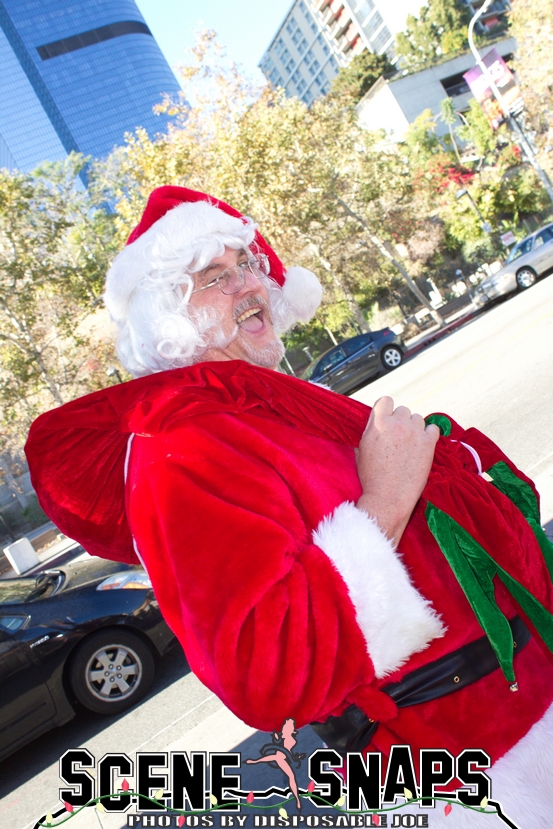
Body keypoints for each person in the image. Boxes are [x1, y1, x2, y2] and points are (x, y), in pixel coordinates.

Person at [26, 187, 553, 827]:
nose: (249, 283)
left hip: (525, 711)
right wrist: (384, 501)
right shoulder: (178, 449)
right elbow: (264, 669)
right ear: (168, 316)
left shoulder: (264, 405)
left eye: (247, 263)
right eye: (215, 278)